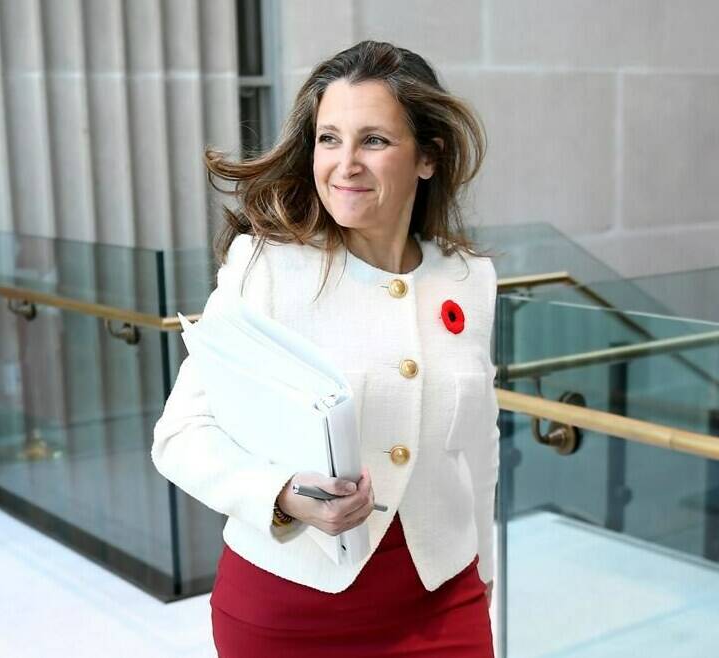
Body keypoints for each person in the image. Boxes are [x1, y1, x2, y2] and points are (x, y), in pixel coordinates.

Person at [152, 40, 498, 657]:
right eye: (329, 138)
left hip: (443, 598)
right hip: (289, 610)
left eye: (374, 140)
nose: (344, 164)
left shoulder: (469, 278)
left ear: (427, 157)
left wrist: (486, 571)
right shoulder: (266, 267)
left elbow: (478, 443)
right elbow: (180, 434)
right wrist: (283, 496)